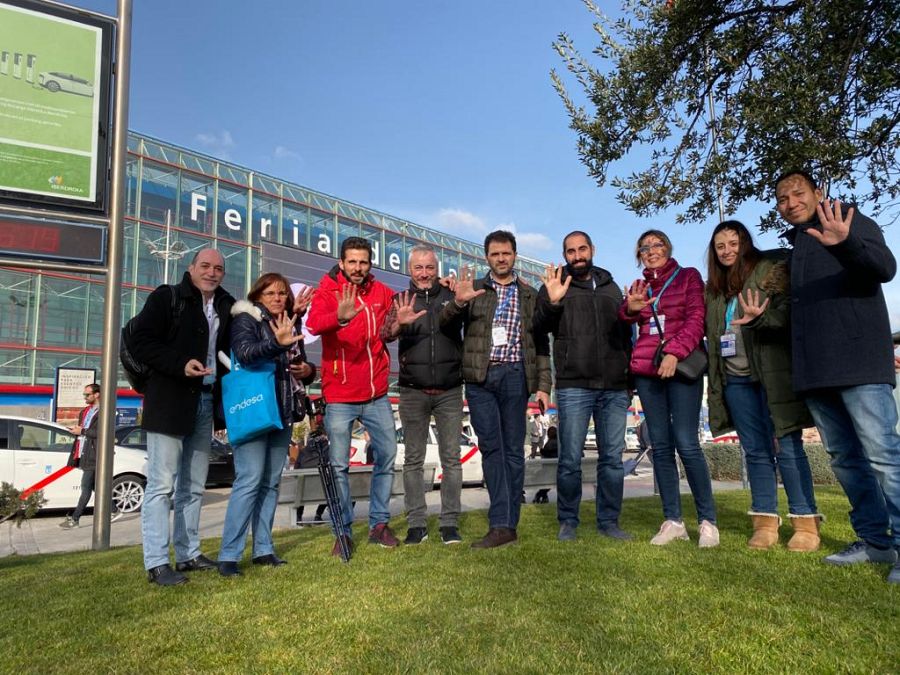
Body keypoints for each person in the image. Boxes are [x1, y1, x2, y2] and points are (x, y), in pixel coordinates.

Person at [775, 170, 900, 583]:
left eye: (798, 193)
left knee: (884, 457)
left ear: (818, 193)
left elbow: (884, 267)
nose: (791, 202)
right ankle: (875, 542)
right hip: (817, 373)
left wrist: (846, 242)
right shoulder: (796, 249)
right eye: (782, 198)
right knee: (845, 460)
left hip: (860, 363)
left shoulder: (848, 220)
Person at [704, 220, 820, 550]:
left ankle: (805, 523)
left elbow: (787, 315)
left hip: (771, 376)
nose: (727, 250)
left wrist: (760, 318)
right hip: (735, 380)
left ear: (746, 242)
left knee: (788, 447)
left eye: (733, 242)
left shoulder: (770, 270)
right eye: (720, 245)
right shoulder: (713, 289)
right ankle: (765, 522)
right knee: (755, 451)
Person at [129, 248, 235, 586]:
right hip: (170, 400)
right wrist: (180, 364)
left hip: (205, 402)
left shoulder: (226, 305)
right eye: (205, 265)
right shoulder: (168, 298)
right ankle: (157, 562)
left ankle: (188, 553)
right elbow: (139, 342)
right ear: (190, 268)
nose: (212, 272)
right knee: (161, 485)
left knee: (193, 486)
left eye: (218, 268)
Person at [441, 230, 551, 549]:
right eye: (494, 254)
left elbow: (541, 344)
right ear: (486, 257)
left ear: (514, 255)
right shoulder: (473, 289)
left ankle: (505, 523)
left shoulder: (530, 295)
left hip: (516, 375)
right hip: (480, 378)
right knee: (492, 448)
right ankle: (501, 522)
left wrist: (544, 386)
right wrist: (458, 304)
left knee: (514, 450)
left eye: (506, 253)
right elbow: (446, 326)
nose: (501, 259)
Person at [620, 230, 719, 547]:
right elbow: (626, 320)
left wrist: (675, 352)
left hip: (680, 365)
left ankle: (707, 521)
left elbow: (697, 318)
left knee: (687, 444)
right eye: (645, 248)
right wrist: (631, 309)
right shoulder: (641, 286)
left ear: (668, 247)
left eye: (657, 245)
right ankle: (673, 520)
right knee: (660, 447)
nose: (651, 251)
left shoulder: (688, 276)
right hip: (647, 371)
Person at [535, 230, 633, 541]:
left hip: (614, 386)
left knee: (612, 460)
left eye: (582, 249)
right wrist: (551, 303)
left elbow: (625, 333)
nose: (577, 256)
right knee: (569, 460)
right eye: (570, 251)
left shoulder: (610, 286)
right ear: (564, 255)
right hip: (574, 384)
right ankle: (568, 520)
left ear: (592, 249)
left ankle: (609, 522)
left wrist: (629, 379)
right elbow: (537, 329)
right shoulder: (555, 284)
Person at [217, 274, 316, 576]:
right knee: (249, 480)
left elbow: (302, 367)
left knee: (271, 482)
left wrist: (306, 370)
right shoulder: (245, 319)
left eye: (282, 293)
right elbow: (246, 355)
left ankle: (263, 549)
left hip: (282, 411)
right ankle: (229, 555)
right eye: (270, 293)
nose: (277, 298)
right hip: (254, 410)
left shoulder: (287, 322)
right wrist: (276, 343)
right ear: (257, 295)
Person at [306, 237, 400, 557]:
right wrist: (340, 317)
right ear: (342, 262)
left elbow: (396, 318)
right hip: (340, 395)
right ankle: (342, 532)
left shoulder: (382, 292)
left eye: (364, 262)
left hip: (377, 394)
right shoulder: (327, 290)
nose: (358, 268)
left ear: (370, 263)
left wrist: (399, 324)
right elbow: (314, 323)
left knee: (387, 456)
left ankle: (378, 525)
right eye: (353, 262)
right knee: (339, 465)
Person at [383, 244, 465, 545]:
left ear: (437, 269)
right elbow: (384, 334)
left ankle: (449, 523)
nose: (424, 273)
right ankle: (417, 523)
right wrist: (398, 323)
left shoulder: (451, 296)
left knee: (452, 460)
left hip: (450, 390)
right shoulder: (400, 300)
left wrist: (457, 297)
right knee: (413, 460)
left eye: (430, 267)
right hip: (412, 390)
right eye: (418, 267)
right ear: (409, 269)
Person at [59, 384, 121, 528]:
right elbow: (84, 431)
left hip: (95, 454)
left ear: (97, 394)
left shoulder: (105, 412)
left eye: (87, 395)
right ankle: (114, 509)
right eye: (84, 395)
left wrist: (83, 431)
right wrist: (77, 431)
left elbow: (104, 433)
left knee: (85, 485)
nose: (85, 397)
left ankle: (75, 519)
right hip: (83, 452)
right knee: (96, 486)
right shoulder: (85, 411)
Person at [533, 426, 559, 504]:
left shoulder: (549, 443)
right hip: (556, 468)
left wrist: (541, 451)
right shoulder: (558, 443)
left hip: (549, 469)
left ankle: (540, 495)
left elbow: (546, 455)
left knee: (547, 479)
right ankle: (543, 496)